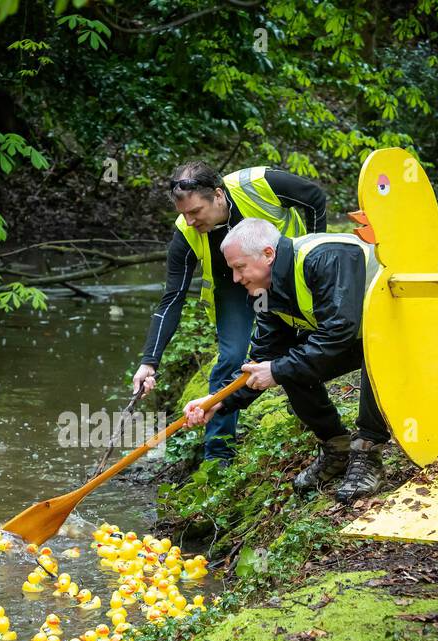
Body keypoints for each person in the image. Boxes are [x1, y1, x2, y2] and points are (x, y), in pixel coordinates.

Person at [184, 217, 389, 503]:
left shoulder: (325, 258)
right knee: (285, 364)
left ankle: (368, 452)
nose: (235, 278)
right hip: (358, 334)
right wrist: (218, 400)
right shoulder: (264, 290)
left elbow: (338, 332)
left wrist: (277, 369)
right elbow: (266, 354)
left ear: (268, 254)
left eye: (239, 267)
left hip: (403, 328)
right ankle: (337, 447)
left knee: (373, 352)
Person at [134, 163, 326, 463]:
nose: (189, 220)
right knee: (232, 357)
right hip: (232, 288)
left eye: (196, 211)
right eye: (183, 213)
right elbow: (173, 297)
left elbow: (314, 197)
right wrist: (150, 362)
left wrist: (315, 254)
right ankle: (218, 456)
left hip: (284, 272)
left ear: (219, 196)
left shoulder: (259, 184)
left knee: (298, 344)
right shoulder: (186, 231)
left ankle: (311, 415)